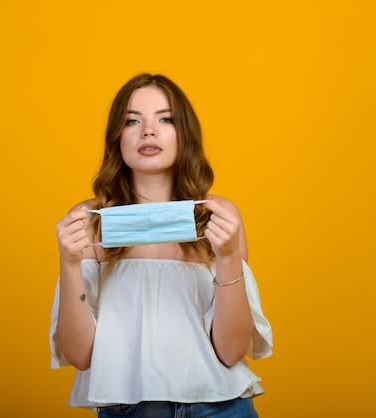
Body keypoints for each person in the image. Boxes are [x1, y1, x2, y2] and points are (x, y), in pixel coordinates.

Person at [49, 73, 273, 417]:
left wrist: (228, 258)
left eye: (165, 119)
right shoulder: (90, 221)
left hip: (222, 408)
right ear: (117, 138)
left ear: (185, 134)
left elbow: (231, 351)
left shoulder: (218, 216)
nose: (148, 131)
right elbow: (80, 356)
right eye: (132, 121)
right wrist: (68, 265)